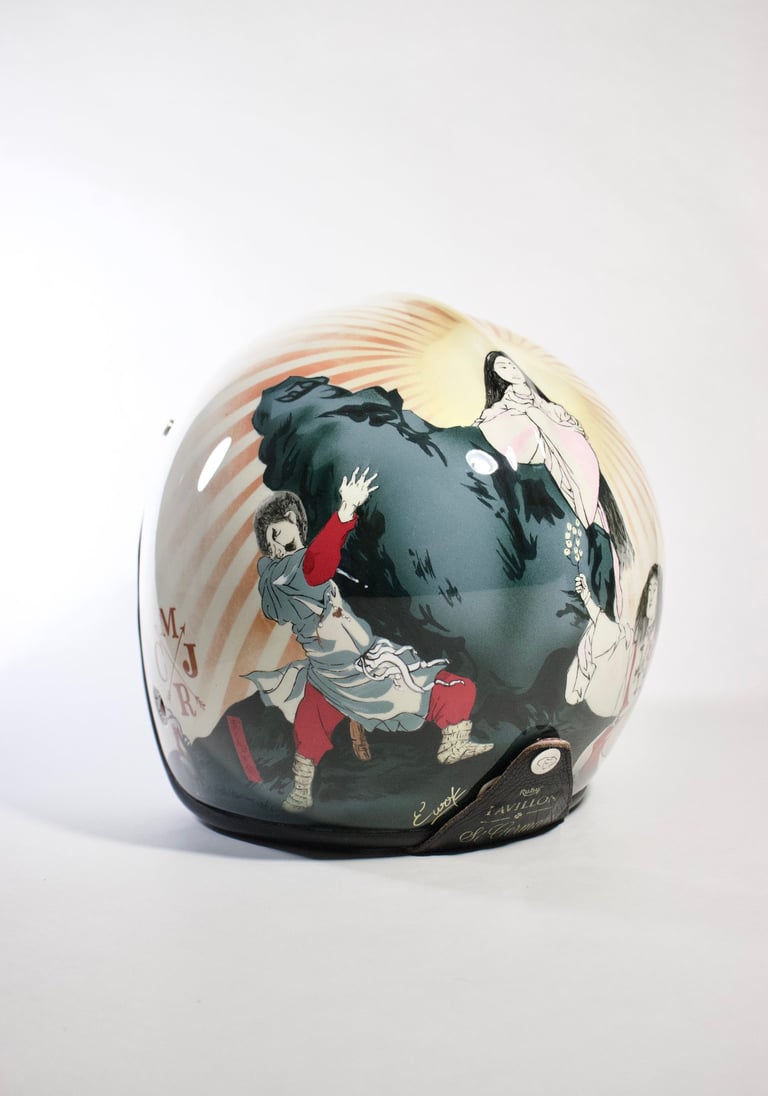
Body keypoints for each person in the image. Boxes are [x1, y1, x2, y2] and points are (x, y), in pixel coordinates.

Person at [246, 468, 492, 812]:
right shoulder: (288, 572)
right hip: (352, 666)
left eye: (282, 528)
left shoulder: (279, 575)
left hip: (336, 665)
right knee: (432, 688)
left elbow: (313, 568)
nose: (278, 539)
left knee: (312, 719)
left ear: (294, 522)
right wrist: (345, 511)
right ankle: (452, 742)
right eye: (273, 533)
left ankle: (301, 790)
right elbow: (315, 567)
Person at [473, 350, 629, 613]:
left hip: (573, 470)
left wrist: (551, 423)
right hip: (545, 478)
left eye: (510, 364)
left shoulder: (549, 405)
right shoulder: (503, 408)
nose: (510, 370)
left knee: (597, 523)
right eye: (502, 368)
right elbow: (488, 424)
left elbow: (572, 430)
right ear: (497, 377)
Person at [565, 564, 661, 718]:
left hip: (613, 708)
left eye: (655, 589)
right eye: (650, 589)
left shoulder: (636, 636)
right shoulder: (626, 635)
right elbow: (606, 626)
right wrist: (586, 597)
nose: (652, 596)